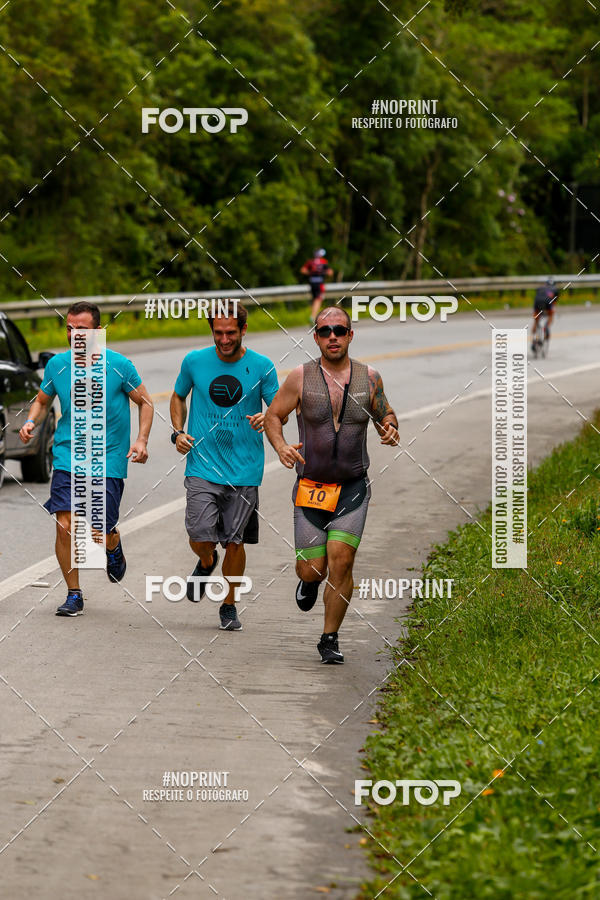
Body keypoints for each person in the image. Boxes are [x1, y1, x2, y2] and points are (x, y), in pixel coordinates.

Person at [264, 306, 399, 664]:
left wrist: (390, 426)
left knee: (342, 560)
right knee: (313, 568)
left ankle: (329, 637)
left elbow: (385, 412)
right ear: (316, 338)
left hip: (353, 487)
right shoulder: (300, 377)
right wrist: (280, 446)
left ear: (351, 335)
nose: (333, 337)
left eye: (340, 330)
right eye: (325, 332)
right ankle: (308, 580)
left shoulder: (370, 378)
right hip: (311, 486)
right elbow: (273, 416)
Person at [19, 301, 154, 616]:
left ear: (98, 332)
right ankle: (74, 593)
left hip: (108, 458)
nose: (73, 334)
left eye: (81, 329)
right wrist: (31, 422)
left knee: (98, 527)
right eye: (69, 328)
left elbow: (146, 402)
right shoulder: (58, 366)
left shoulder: (119, 365)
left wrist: (142, 440)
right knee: (64, 524)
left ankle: (112, 544)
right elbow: (42, 401)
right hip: (68, 455)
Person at [170, 302, 279, 631]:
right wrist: (177, 432)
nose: (224, 338)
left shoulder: (262, 366)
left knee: (235, 541)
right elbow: (178, 397)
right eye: (218, 332)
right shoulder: (194, 361)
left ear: (244, 330)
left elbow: (281, 406)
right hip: (202, 465)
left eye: (231, 332)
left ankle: (229, 604)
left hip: (245, 469)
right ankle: (205, 560)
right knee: (199, 534)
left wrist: (269, 415)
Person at [300, 248, 333, 323]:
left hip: (312, 283)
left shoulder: (310, 262)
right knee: (318, 299)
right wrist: (324, 273)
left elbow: (303, 270)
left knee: (315, 299)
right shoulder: (323, 262)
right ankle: (313, 316)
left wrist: (310, 273)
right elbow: (330, 272)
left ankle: (314, 316)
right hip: (319, 283)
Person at [532, 276, 559, 347]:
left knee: (536, 320)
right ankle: (547, 327)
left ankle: (534, 339)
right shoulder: (555, 290)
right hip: (547, 302)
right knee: (551, 314)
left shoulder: (540, 288)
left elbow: (537, 295)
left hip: (537, 302)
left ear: (546, 283)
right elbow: (554, 302)